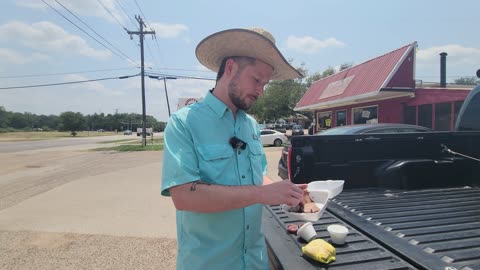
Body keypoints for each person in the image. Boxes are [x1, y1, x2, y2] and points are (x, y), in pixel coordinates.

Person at [161, 27, 305, 270]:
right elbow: (184, 195)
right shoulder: (184, 122)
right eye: (256, 79)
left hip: (255, 261)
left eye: (265, 83)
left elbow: (257, 176)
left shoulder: (251, 125)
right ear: (230, 68)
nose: (261, 90)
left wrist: (288, 192)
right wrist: (262, 194)